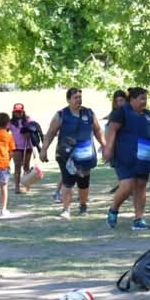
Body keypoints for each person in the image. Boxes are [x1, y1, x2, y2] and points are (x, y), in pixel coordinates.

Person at [40, 88, 106, 219]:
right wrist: (44, 149)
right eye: (75, 97)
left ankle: (83, 205)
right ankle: (66, 209)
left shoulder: (89, 113)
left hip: (85, 154)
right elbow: (50, 133)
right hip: (66, 155)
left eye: (80, 97)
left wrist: (105, 146)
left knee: (83, 182)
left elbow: (98, 131)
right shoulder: (61, 115)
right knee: (68, 180)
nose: (79, 100)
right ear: (68, 100)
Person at [104, 87, 150, 231]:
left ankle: (138, 219)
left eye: (146, 99)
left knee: (141, 187)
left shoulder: (148, 115)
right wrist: (108, 149)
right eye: (141, 99)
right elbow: (112, 130)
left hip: (144, 159)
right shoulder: (122, 112)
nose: (144, 102)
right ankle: (113, 209)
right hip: (125, 157)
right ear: (132, 99)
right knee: (127, 186)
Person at [103, 90, 128, 197]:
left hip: (125, 147)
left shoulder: (129, 113)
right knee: (120, 171)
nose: (119, 103)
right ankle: (123, 187)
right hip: (115, 147)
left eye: (121, 100)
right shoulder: (114, 114)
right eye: (117, 101)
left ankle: (125, 188)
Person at [9, 103, 34, 194]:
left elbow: (34, 129)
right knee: (17, 167)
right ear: (13, 112)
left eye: (20, 112)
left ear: (23, 111)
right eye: (16, 112)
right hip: (16, 147)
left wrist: (29, 133)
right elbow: (5, 130)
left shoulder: (28, 119)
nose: (18, 113)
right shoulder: (11, 122)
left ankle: (27, 186)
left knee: (26, 166)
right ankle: (17, 187)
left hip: (27, 146)